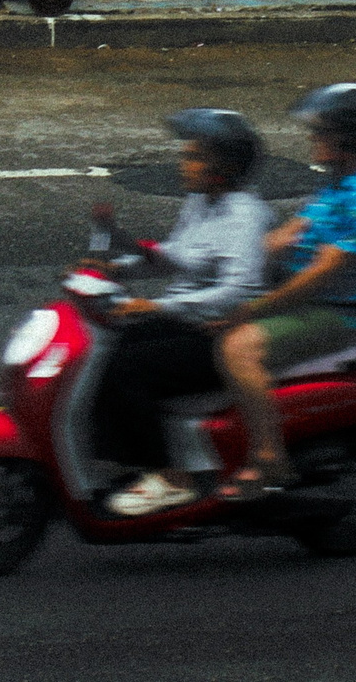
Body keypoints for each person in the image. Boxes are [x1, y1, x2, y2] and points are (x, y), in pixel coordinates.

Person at [210, 84, 356, 502]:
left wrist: (251, 309)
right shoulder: (341, 180)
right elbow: (288, 235)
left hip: (337, 311)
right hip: (306, 297)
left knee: (238, 347)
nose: (312, 136)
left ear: (349, 138)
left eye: (322, 130)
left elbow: (321, 272)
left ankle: (268, 458)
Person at [90, 109, 272, 518]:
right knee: (103, 349)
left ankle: (173, 478)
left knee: (128, 370)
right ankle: (117, 453)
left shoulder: (244, 217)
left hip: (218, 333)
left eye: (193, 157)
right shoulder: (200, 202)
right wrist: (119, 266)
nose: (182, 164)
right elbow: (174, 258)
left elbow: (234, 292)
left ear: (221, 170)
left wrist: (157, 305)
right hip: (187, 320)